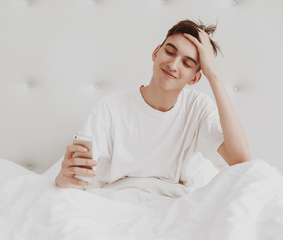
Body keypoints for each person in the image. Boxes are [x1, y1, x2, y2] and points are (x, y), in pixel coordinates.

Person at [55, 19, 251, 190]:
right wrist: (64, 178)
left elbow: (241, 161)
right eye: (169, 52)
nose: (173, 65)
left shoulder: (197, 107)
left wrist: (213, 74)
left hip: (172, 204)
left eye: (187, 63)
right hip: (115, 198)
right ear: (156, 52)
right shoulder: (111, 108)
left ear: (195, 78)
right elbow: (76, 177)